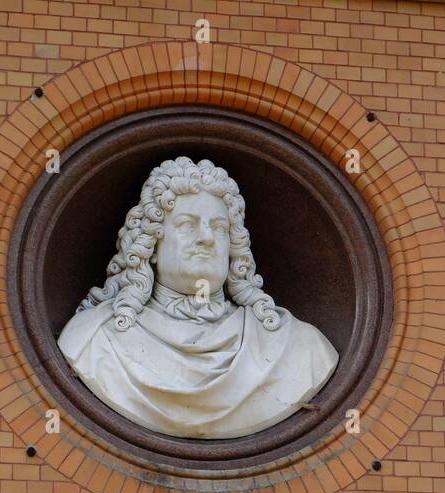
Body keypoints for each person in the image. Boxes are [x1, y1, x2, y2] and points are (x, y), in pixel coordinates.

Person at [57, 156, 338, 439]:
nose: (207, 238)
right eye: (187, 224)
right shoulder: (94, 340)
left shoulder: (299, 347)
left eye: (218, 227)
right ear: (151, 243)